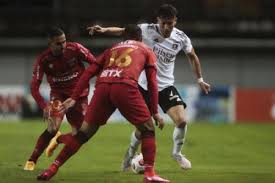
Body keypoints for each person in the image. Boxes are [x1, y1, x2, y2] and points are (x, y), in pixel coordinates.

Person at [37, 24, 170, 183]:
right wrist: (155, 112)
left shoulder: (112, 49)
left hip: (102, 87)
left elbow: (88, 72)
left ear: (123, 38)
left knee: (82, 134)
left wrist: (73, 97)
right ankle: (149, 174)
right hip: (124, 87)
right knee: (148, 128)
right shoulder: (146, 49)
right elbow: (152, 83)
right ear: (140, 38)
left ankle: (51, 169)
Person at [87, 4, 211, 171]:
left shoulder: (181, 38)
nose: (167, 27)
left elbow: (193, 57)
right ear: (158, 20)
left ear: (175, 21)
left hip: (165, 86)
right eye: (164, 23)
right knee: (142, 129)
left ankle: (177, 154)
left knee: (181, 121)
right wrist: (103, 30)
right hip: (143, 85)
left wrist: (200, 79)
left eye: (171, 24)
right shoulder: (145, 30)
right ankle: (130, 154)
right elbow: (124, 30)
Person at [23, 27, 96, 171]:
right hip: (58, 95)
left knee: (80, 136)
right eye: (58, 43)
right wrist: (44, 106)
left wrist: (90, 80)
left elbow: (95, 63)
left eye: (64, 41)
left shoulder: (75, 49)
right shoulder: (43, 60)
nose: (63, 45)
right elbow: (34, 87)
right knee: (52, 127)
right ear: (50, 44)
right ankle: (32, 160)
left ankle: (58, 139)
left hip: (79, 95)